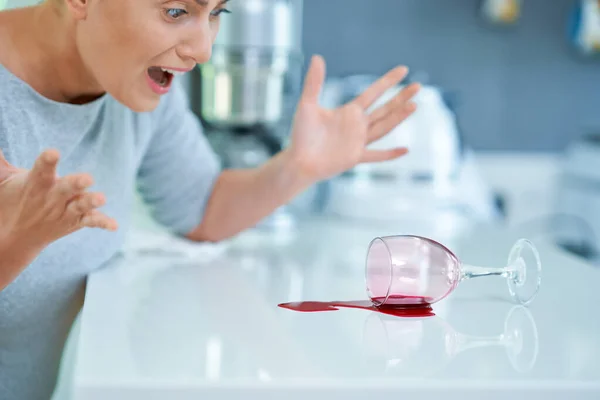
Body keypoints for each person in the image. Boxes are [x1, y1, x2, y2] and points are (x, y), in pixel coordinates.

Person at [0, 0, 419, 398]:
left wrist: (298, 166)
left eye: (216, 12)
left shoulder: (136, 82)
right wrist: (21, 237)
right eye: (176, 11)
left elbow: (202, 207)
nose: (203, 50)